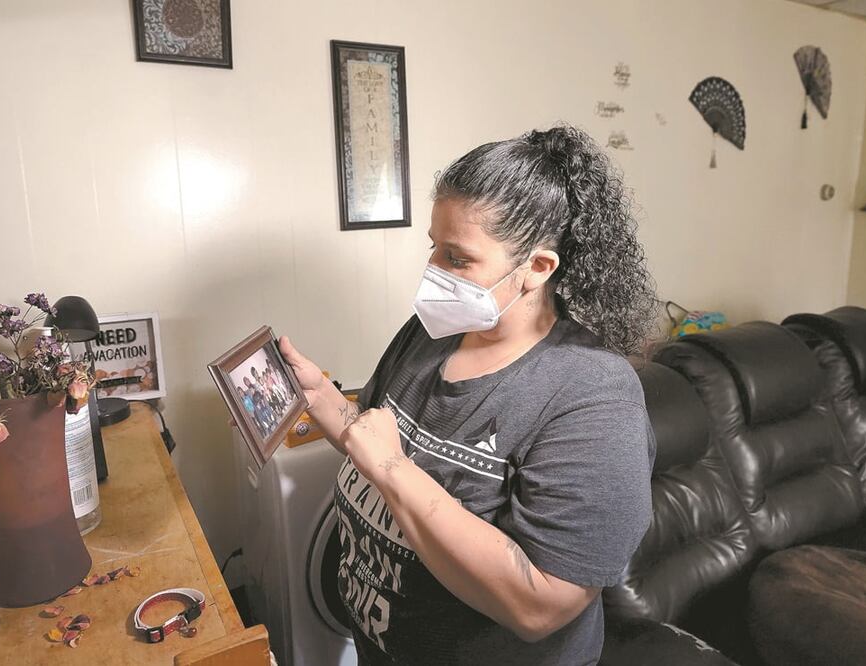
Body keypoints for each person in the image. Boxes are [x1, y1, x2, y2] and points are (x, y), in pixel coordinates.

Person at [279, 124, 657, 665]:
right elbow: (376, 436)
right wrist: (323, 400)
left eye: (457, 259)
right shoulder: (430, 332)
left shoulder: (594, 396)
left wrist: (391, 469)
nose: (432, 273)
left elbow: (540, 606)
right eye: (434, 248)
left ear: (537, 268)